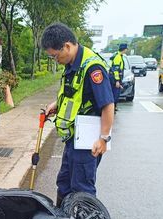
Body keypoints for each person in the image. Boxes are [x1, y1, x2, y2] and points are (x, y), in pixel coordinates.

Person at [41, 22, 115, 205]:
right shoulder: (72, 63)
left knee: (81, 188)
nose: (55, 60)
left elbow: (107, 104)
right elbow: (74, 95)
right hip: (73, 137)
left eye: (55, 55)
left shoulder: (92, 68)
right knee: (64, 183)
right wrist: (56, 105)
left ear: (67, 46)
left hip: (88, 141)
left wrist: (104, 138)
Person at [110, 43, 128, 111]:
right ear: (124, 49)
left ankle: (114, 107)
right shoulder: (118, 57)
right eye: (126, 49)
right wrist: (117, 81)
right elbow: (116, 70)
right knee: (115, 94)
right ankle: (112, 108)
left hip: (115, 78)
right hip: (115, 79)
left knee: (115, 93)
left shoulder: (119, 56)